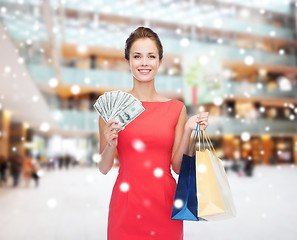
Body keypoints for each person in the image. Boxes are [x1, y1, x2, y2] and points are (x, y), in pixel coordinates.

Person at [98, 27, 209, 240]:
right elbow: (104, 168)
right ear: (128, 61)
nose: (144, 63)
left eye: (151, 56)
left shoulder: (176, 109)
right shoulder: (111, 109)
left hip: (164, 204)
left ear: (159, 61)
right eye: (137, 56)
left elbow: (177, 167)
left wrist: (188, 131)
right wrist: (111, 144)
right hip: (126, 203)